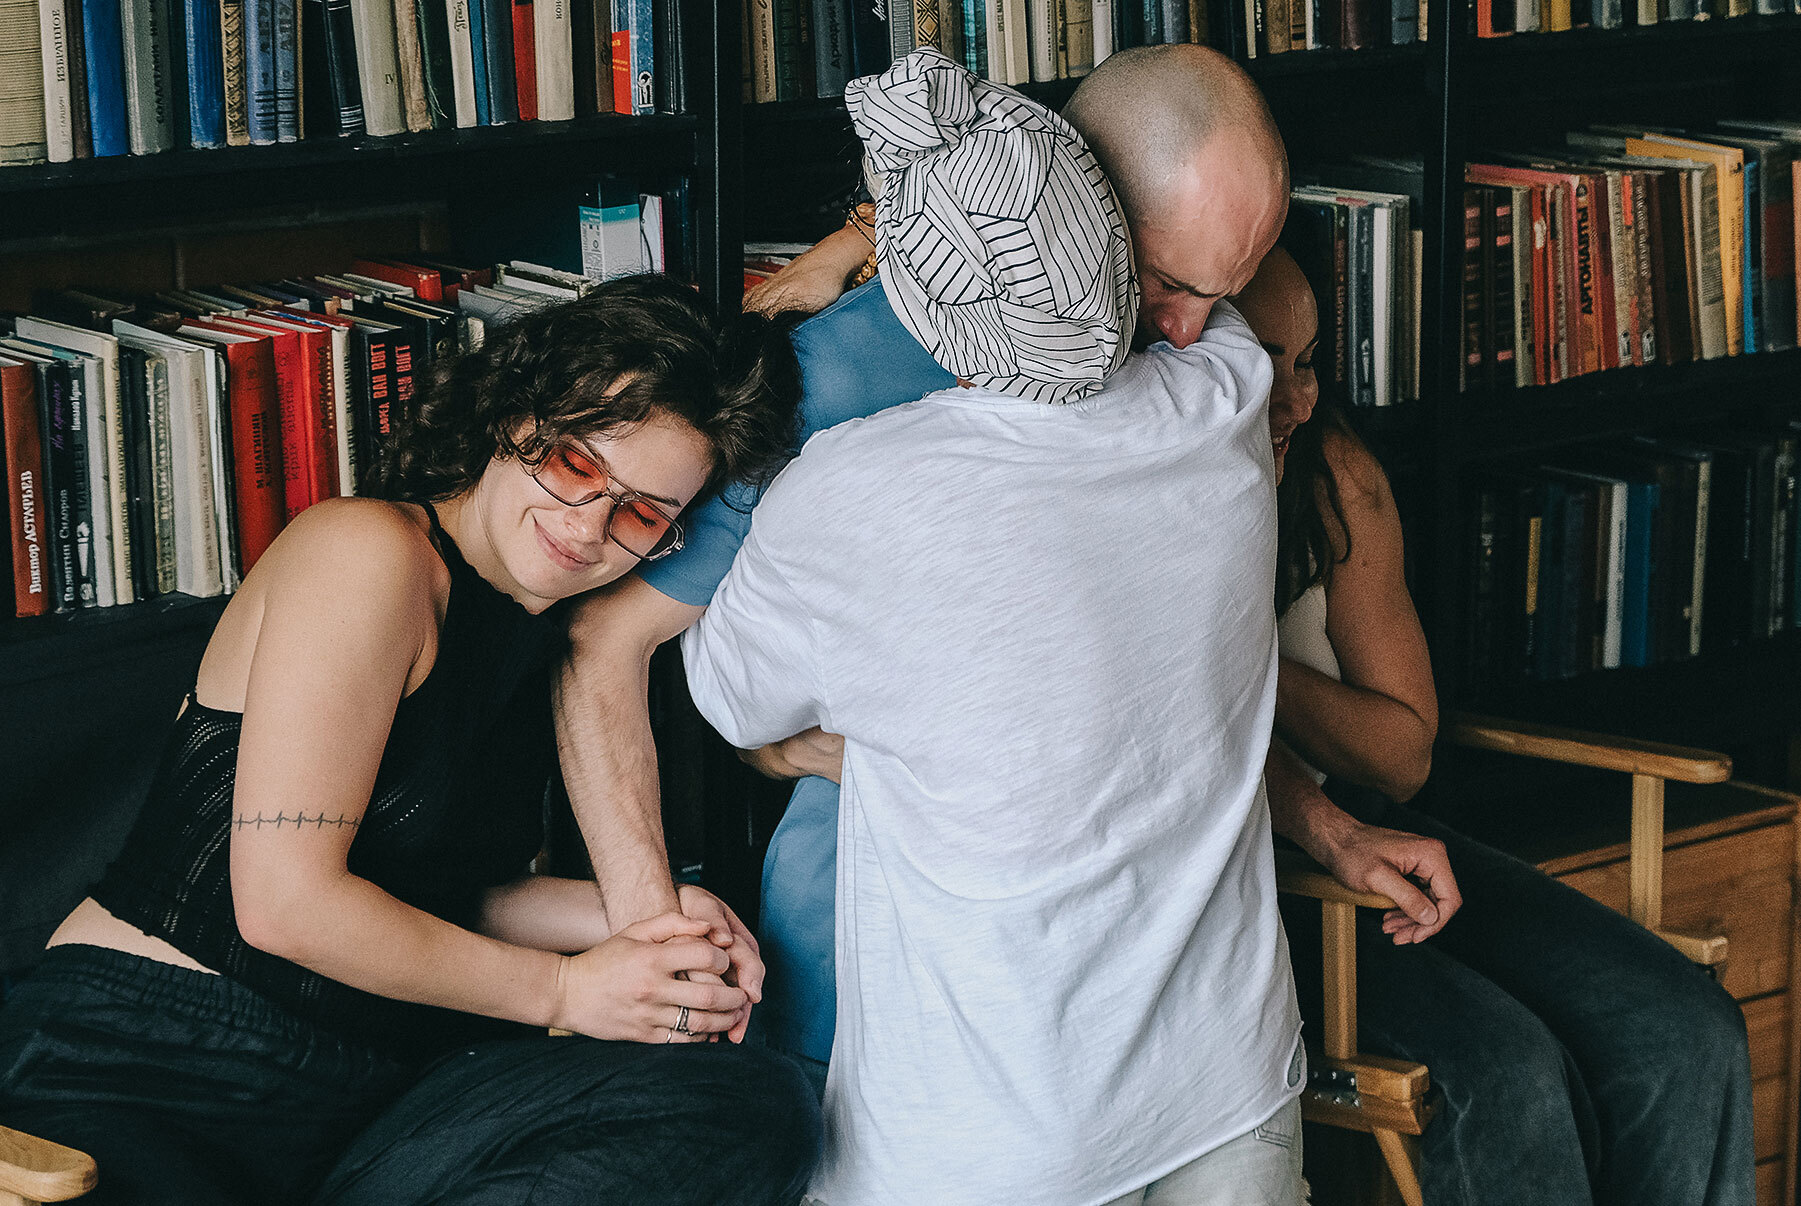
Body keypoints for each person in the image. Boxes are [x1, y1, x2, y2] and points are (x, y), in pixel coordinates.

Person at [0, 276, 821, 1206]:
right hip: (156, 1056)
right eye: (574, 465)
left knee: (753, 1103)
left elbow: (434, 891)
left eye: (639, 513)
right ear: (511, 419)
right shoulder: (367, 552)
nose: (587, 525)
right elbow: (286, 905)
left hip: (379, 1084)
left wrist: (649, 917)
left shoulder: (539, 634)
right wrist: (566, 992)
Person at [683, 47, 1303, 1206]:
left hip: (989, 1134)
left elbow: (731, 701)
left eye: (1223, 289)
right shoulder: (1227, 391)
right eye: (1168, 281)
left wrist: (849, 249)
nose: (1185, 328)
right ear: (1089, 212)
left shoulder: (848, 482)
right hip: (1229, 1085)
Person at [1231, 246, 1756, 1205]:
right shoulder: (1128, 479)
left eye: (1307, 362)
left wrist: (1249, 662)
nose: (1296, 398)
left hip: (1366, 832)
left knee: (1686, 1031)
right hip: (1237, 886)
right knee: (1507, 1076)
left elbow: (1402, 756)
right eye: (1263, 363)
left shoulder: (1328, 472)